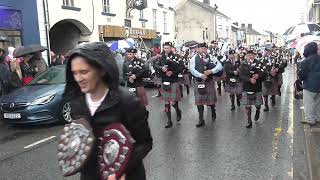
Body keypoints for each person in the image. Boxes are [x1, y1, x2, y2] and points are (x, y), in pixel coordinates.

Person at [63, 42, 153, 180]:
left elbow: (144, 143)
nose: (78, 78)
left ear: (102, 70)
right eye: (74, 73)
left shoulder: (127, 101)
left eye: (84, 72)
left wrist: (122, 170)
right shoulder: (76, 103)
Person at [190, 43, 223, 127]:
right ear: (197, 49)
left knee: (210, 101)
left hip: (209, 81)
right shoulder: (193, 58)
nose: (202, 50)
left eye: (204, 49)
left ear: (206, 49)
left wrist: (211, 71)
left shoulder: (211, 57)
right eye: (201, 49)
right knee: (199, 102)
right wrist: (200, 75)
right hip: (199, 81)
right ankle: (201, 119)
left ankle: (213, 110)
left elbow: (219, 66)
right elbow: (192, 69)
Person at [154, 42, 183, 128]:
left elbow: (182, 67)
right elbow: (155, 65)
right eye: (165, 48)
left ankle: (178, 110)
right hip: (165, 81)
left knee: (173, 102)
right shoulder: (160, 57)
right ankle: (169, 121)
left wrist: (173, 72)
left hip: (173, 80)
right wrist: (161, 68)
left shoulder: (176, 57)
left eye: (168, 48)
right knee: (166, 102)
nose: (166, 50)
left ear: (171, 48)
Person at [239, 50, 266, 128]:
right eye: (248, 55)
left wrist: (258, 75)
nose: (250, 56)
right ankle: (249, 120)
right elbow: (241, 75)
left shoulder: (259, 63)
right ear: (246, 56)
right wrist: (249, 79)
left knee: (257, 104)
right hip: (246, 87)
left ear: (254, 55)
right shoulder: (243, 64)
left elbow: (265, 73)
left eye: (251, 55)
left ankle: (258, 110)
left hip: (257, 87)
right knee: (247, 105)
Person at [298, 42, 320, 125]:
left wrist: (300, 79)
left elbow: (302, 74)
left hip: (310, 85)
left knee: (309, 103)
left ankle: (310, 119)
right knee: (318, 103)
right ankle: (318, 117)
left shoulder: (306, 61)